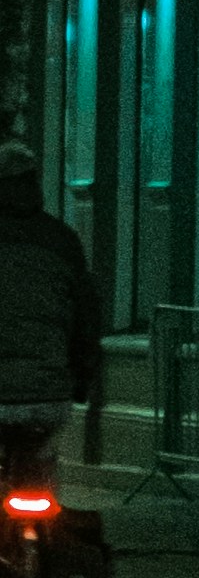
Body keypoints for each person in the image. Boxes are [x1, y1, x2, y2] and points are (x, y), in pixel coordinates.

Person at [0, 141, 105, 478]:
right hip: (49, 392)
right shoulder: (63, 239)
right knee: (40, 461)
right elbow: (87, 319)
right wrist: (82, 379)